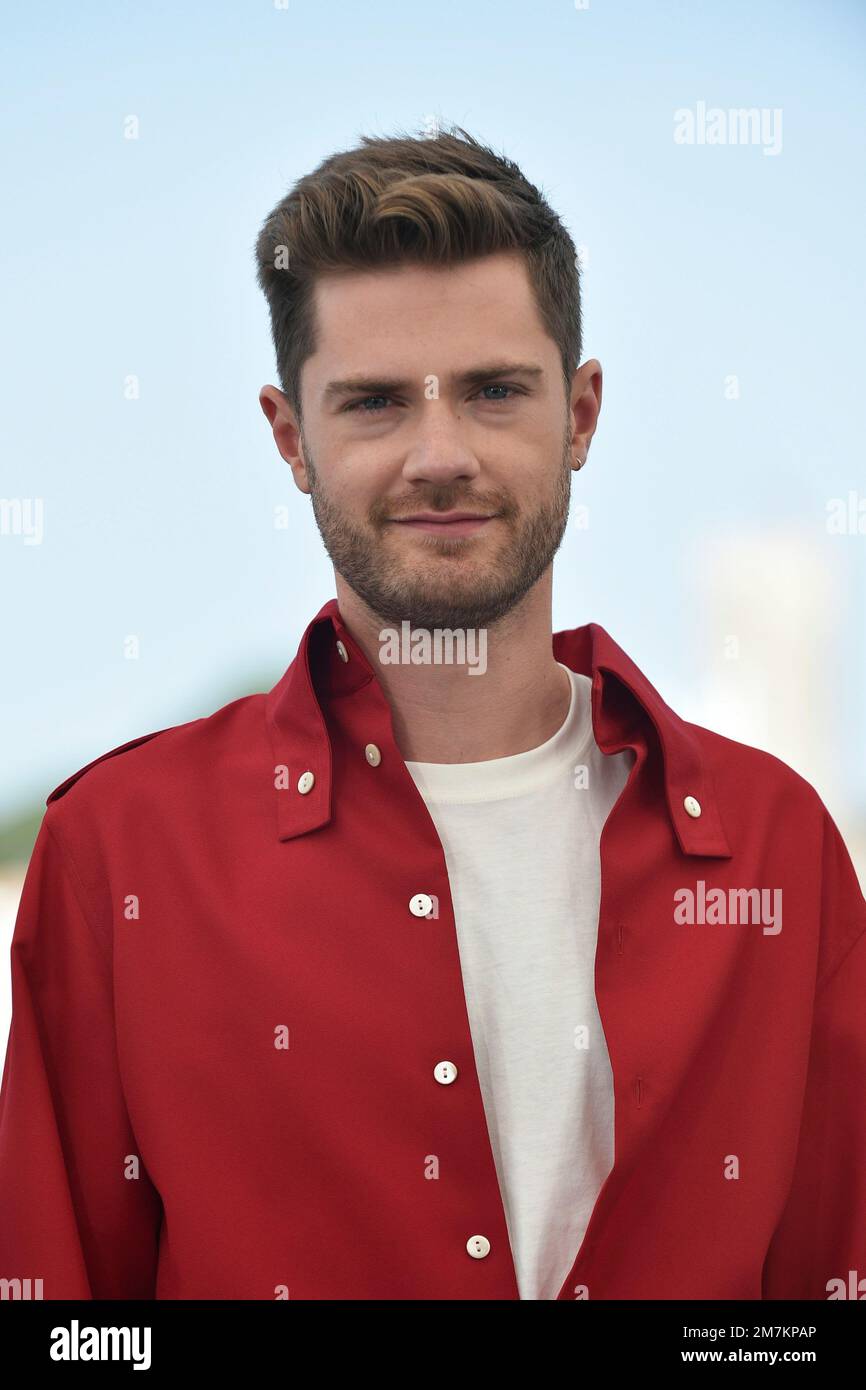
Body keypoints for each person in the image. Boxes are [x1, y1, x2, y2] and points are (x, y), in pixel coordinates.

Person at [1, 126, 864, 1301]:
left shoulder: (779, 850)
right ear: (289, 437)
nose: (439, 454)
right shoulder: (117, 849)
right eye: (370, 403)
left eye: (494, 390)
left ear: (581, 414)